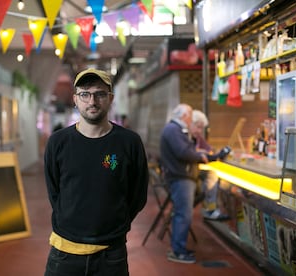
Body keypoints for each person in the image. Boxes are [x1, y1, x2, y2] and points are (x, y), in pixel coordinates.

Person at [44, 68, 149, 276]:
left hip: (111, 254)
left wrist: (115, 223)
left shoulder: (129, 142)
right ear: (75, 99)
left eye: (99, 94)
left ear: (110, 99)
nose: (92, 101)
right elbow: (54, 191)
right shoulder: (58, 142)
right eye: (85, 94)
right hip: (65, 252)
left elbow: (138, 195)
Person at [160, 103, 220, 264]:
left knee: (183, 214)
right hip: (180, 178)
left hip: (182, 177)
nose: (190, 119)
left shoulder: (175, 130)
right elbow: (183, 152)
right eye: (189, 115)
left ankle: (179, 249)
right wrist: (200, 156)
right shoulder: (173, 130)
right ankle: (178, 252)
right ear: (183, 116)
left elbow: (186, 150)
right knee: (183, 215)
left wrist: (199, 153)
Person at [189, 110, 230, 220]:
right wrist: (201, 153)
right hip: (185, 175)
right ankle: (209, 209)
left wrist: (213, 152)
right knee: (211, 176)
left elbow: (210, 149)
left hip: (192, 172)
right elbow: (192, 154)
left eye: (201, 128)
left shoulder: (197, 137)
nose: (200, 131)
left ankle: (209, 208)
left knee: (210, 176)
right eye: (198, 127)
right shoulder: (185, 137)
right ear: (190, 124)